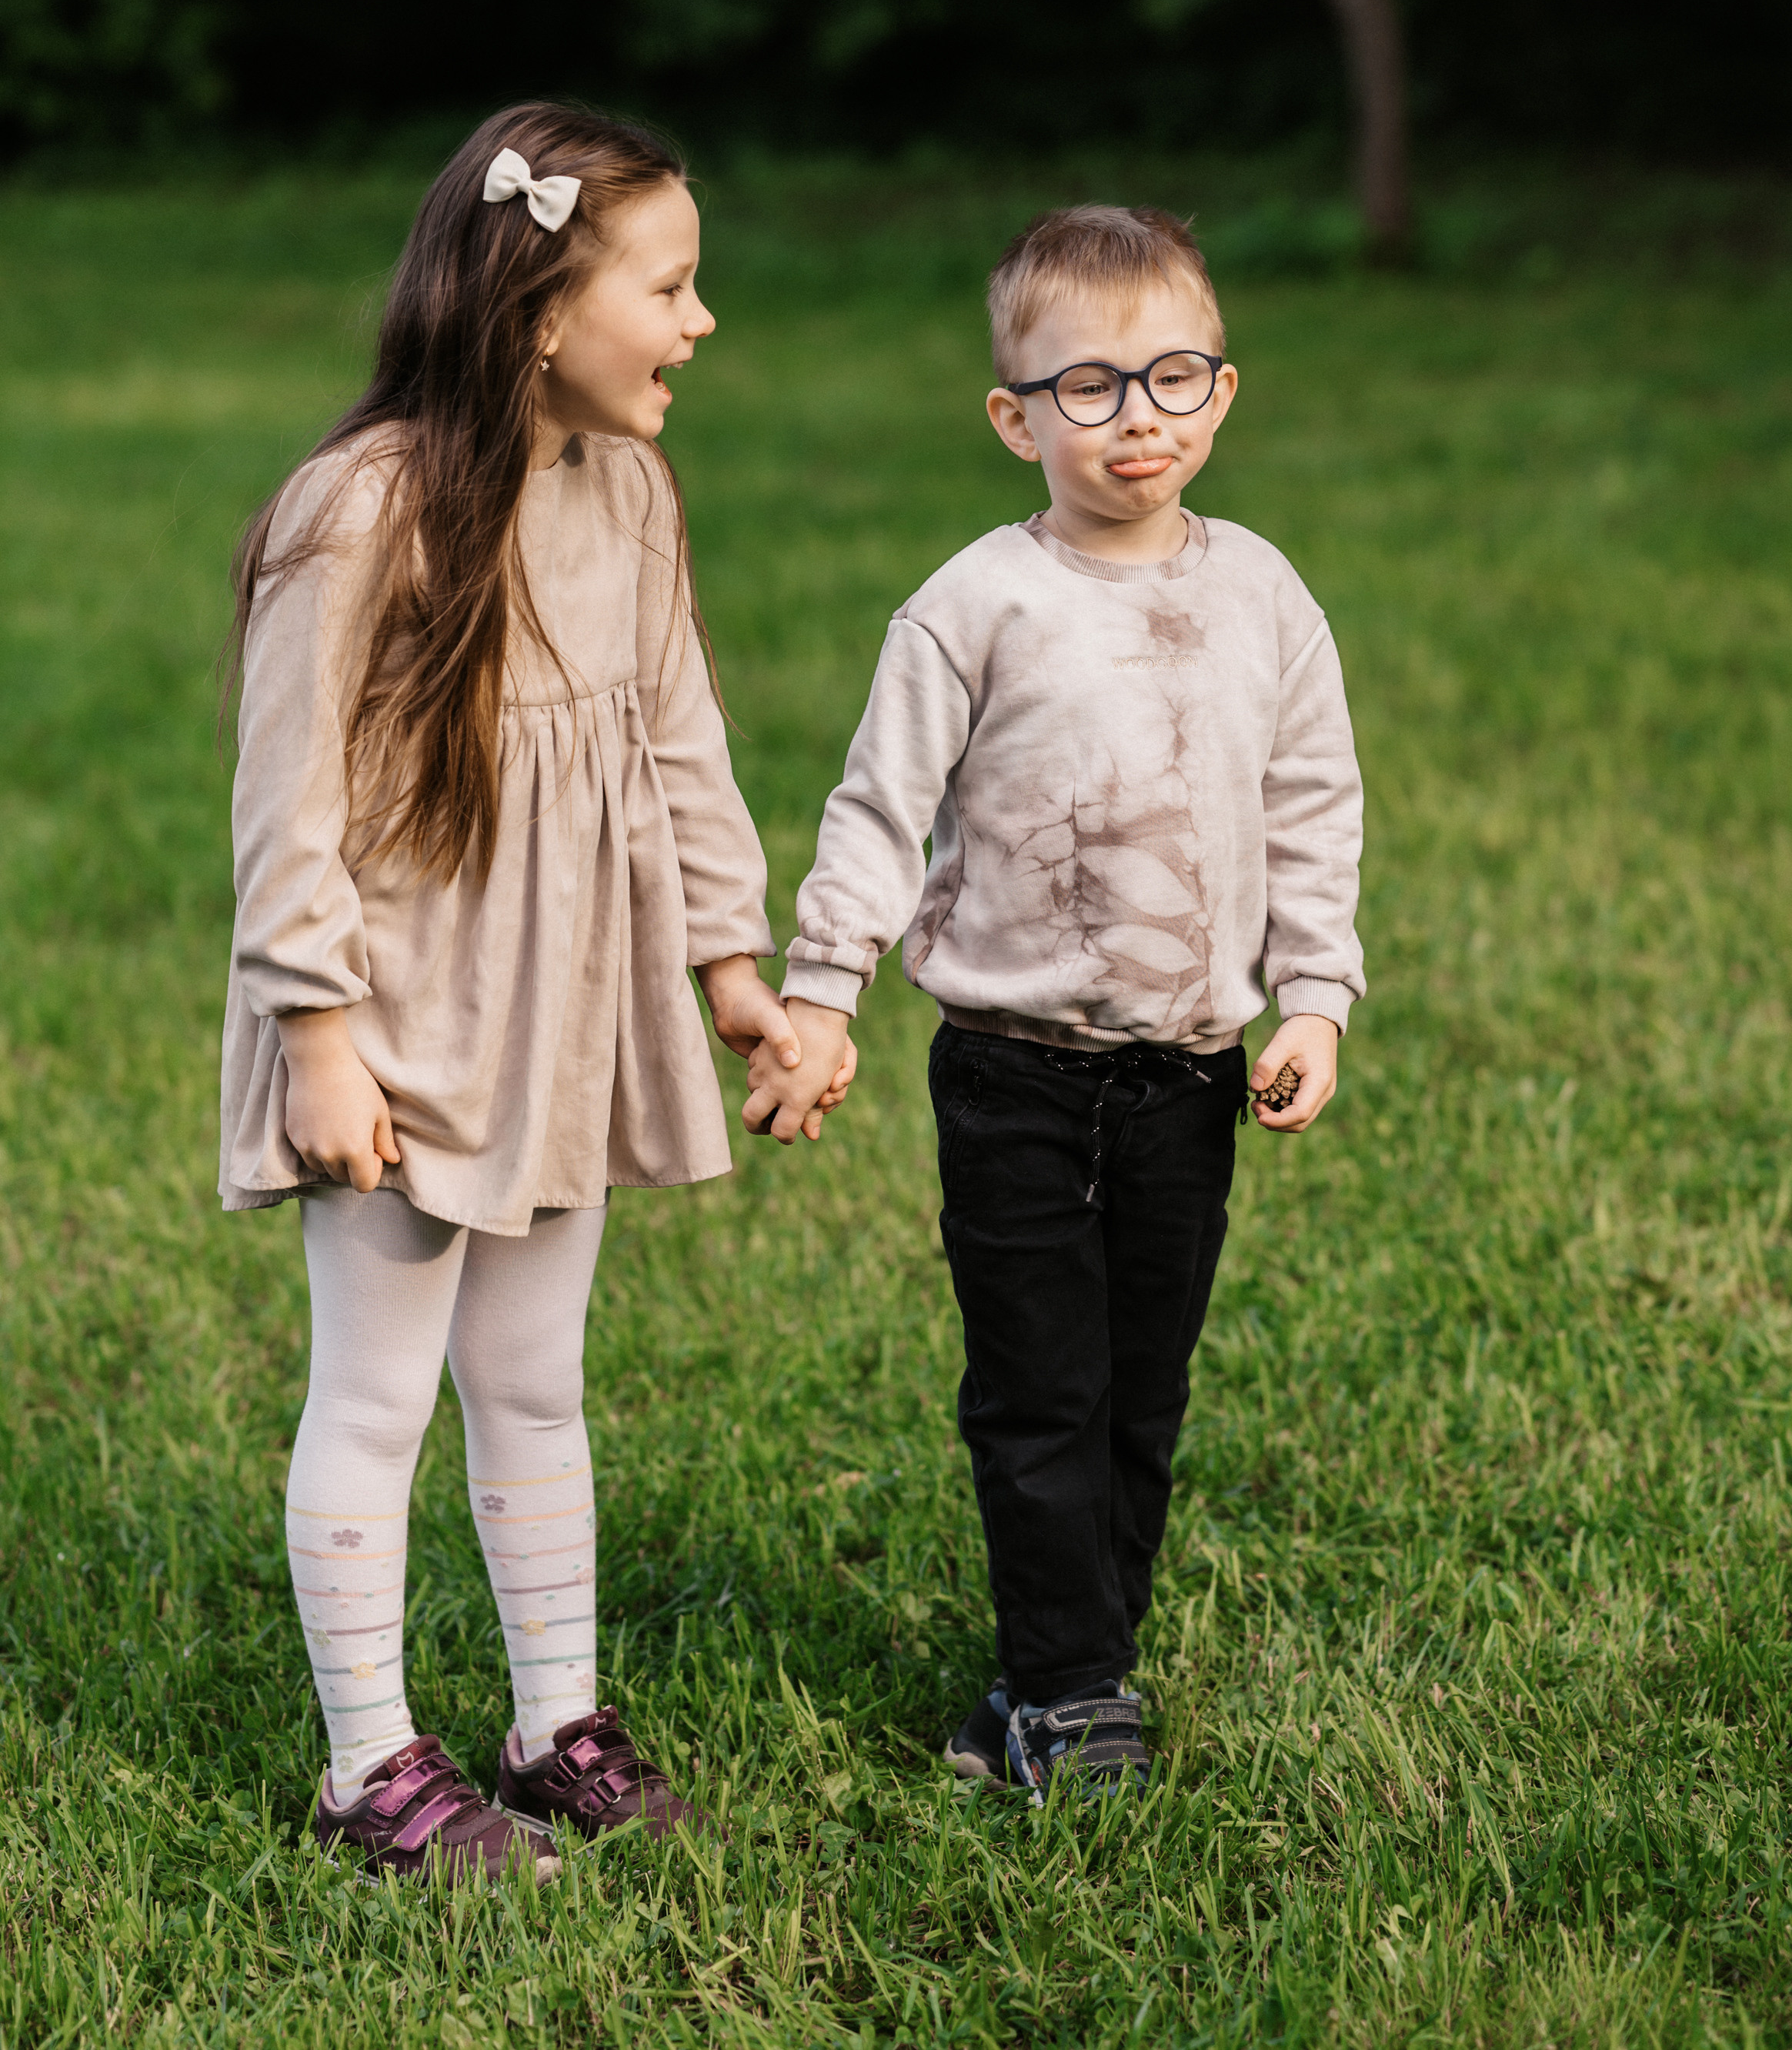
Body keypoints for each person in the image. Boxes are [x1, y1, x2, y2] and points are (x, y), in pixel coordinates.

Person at [220, 103, 849, 1881]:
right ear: (538, 309)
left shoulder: (629, 492)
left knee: (534, 1374)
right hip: (400, 1024)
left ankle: (549, 1722)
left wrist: (735, 970)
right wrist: (318, 1035)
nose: (702, 321)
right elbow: (287, 807)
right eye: (672, 283)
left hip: (562, 1007)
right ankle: (368, 1771)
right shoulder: (359, 511)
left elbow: (678, 744)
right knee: (379, 1391)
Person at [743, 204, 1363, 1801]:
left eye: (1169, 376)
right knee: (1039, 1387)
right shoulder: (972, 606)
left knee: (1141, 1386)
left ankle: (1081, 1660)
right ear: (1013, 416)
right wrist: (822, 995)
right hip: (1012, 1069)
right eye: (1086, 385)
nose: (1135, 413)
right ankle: (1064, 1688)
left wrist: (1314, 995)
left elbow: (1312, 801)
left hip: (1190, 1070)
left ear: (1224, 391)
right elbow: (877, 814)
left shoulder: (1265, 595)